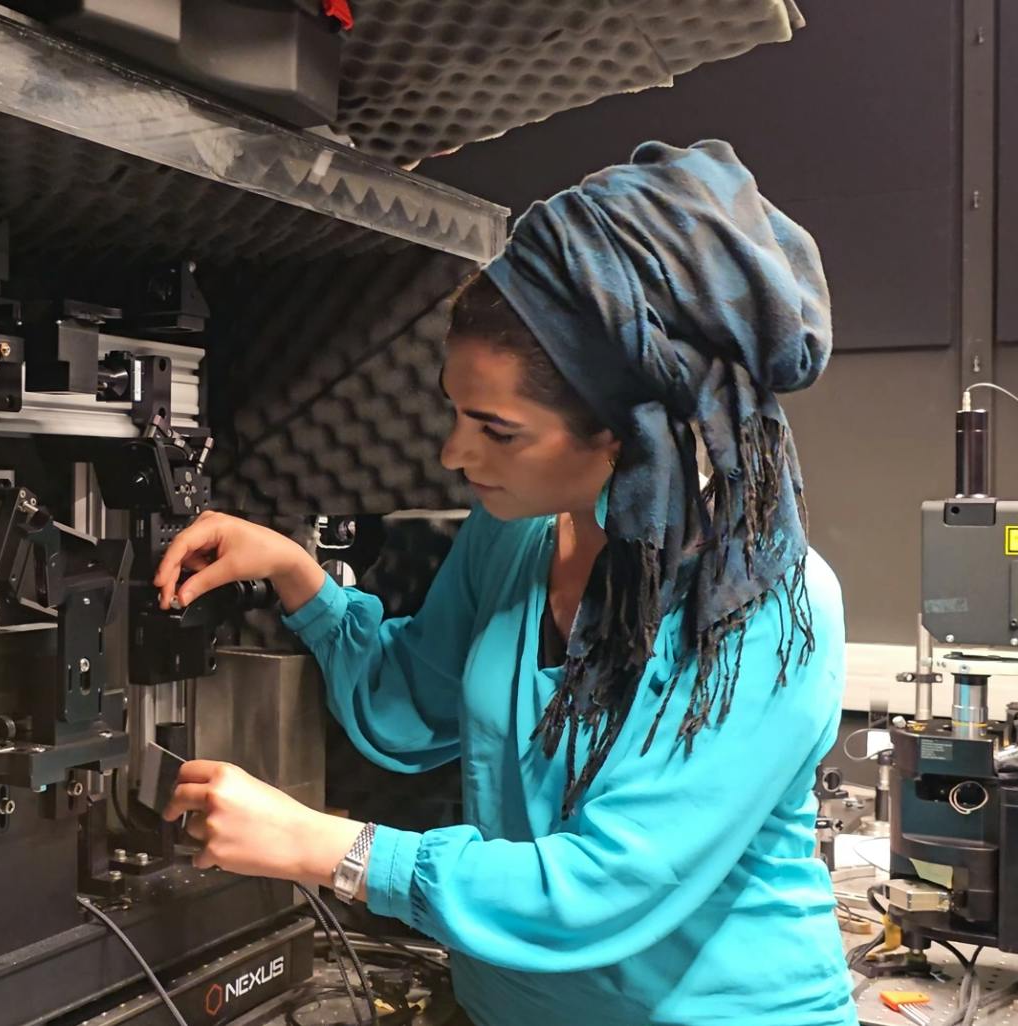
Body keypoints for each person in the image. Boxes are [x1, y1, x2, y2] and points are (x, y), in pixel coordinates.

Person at [153, 141, 855, 1025]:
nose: (454, 455)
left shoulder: (766, 613)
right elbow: (412, 707)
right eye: (453, 410)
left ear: (628, 437)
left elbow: (603, 890)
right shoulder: (515, 531)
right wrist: (301, 579)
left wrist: (330, 847)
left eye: (496, 429)